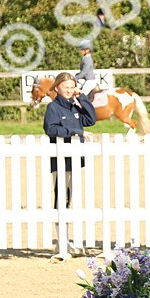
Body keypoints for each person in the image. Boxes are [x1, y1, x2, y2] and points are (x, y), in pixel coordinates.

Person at [43, 71, 96, 209]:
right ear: (56, 88)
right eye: (66, 87)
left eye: (72, 87)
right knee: (61, 195)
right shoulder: (53, 108)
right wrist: (76, 132)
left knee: (71, 195)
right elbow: (51, 129)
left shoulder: (74, 106)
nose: (69, 90)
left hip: (75, 158)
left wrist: (82, 97)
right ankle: (59, 226)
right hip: (60, 159)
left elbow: (91, 119)